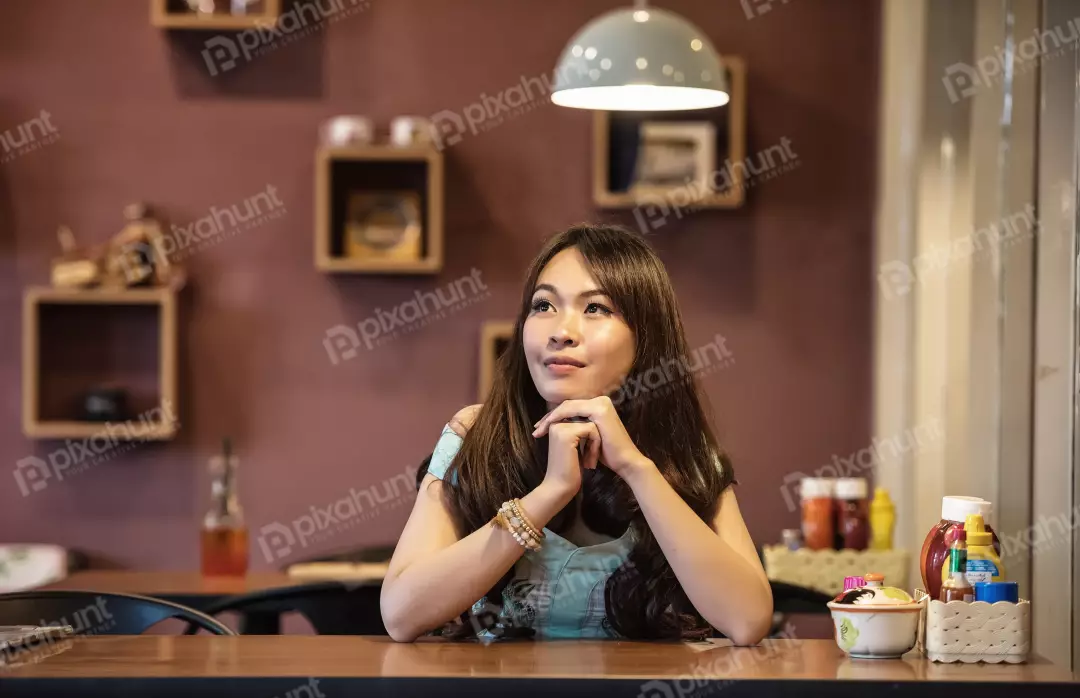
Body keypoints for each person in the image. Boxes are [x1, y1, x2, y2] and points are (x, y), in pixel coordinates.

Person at [381, 224, 773, 643]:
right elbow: (401, 615)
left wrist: (637, 469)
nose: (560, 331)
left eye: (595, 309)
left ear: (647, 337)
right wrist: (548, 495)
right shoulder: (474, 436)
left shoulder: (684, 452)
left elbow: (747, 620)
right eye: (544, 305)